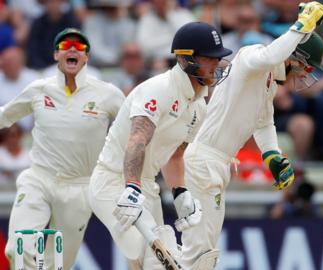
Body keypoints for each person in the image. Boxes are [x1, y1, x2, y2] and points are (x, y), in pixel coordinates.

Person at [180, 2, 323, 268]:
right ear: (296, 55)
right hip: (204, 160)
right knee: (201, 250)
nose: (304, 75)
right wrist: (300, 27)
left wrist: (272, 154)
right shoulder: (253, 56)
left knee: (204, 246)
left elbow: (263, 122)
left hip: (216, 162)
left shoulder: (269, 79)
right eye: (306, 68)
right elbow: (272, 55)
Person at [87, 21, 232, 269]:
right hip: (113, 182)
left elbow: (175, 156)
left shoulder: (199, 106)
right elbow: (137, 140)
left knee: (147, 263)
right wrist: (131, 187)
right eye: (211, 58)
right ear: (187, 59)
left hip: (147, 187)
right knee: (147, 252)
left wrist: (179, 192)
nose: (218, 65)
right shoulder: (158, 90)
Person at [2, 28, 125, 269]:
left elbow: (135, 126)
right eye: (66, 45)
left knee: (59, 264)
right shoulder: (39, 89)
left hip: (80, 188)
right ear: (56, 54)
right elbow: (5, 116)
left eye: (79, 47)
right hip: (39, 178)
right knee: (17, 248)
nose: (72, 49)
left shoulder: (107, 94)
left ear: (86, 57)